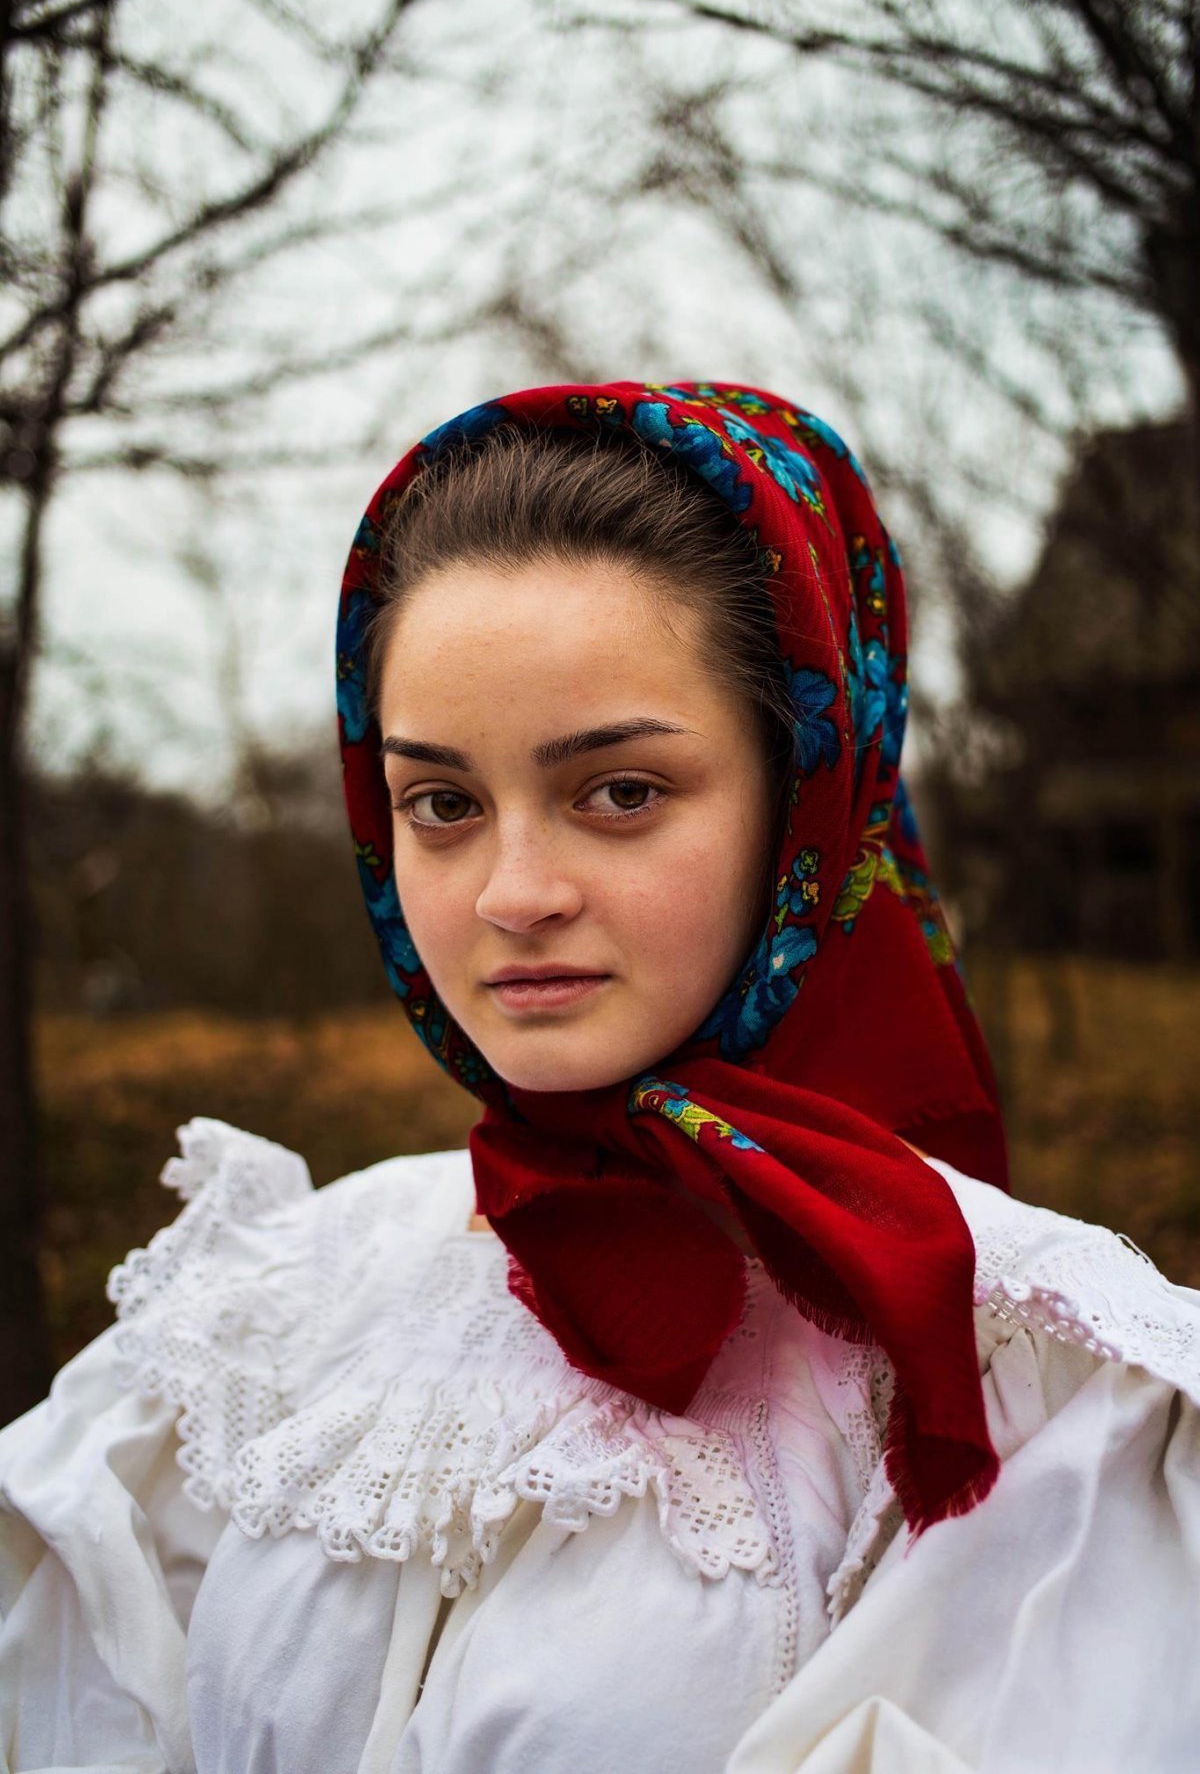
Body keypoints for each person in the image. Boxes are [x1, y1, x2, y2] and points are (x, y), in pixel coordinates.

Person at [1, 380, 1197, 1773]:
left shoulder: (1019, 1370)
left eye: (618, 792)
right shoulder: (267, 1310)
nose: (513, 893)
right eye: (440, 804)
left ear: (807, 790)